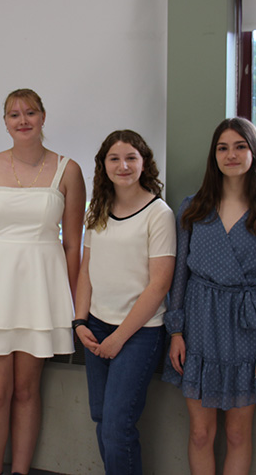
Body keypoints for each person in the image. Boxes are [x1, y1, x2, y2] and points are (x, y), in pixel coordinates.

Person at [0, 89, 86, 475]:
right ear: (5, 122)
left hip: (41, 288)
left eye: (30, 112)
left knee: (27, 391)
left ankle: (20, 472)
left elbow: (72, 244)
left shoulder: (68, 170)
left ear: (43, 117)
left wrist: (74, 304)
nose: (22, 119)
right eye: (14, 114)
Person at [162, 117, 256, 475]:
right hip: (199, 325)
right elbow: (179, 278)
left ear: (253, 153)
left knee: (237, 434)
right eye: (222, 147)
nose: (231, 155)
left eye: (239, 146)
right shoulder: (192, 209)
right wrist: (175, 332)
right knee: (201, 434)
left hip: (246, 332)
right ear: (213, 155)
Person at [73, 130, 176, 475]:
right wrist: (80, 322)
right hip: (97, 326)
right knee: (102, 419)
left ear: (144, 163)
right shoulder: (97, 210)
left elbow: (159, 285)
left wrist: (118, 338)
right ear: (103, 165)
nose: (123, 165)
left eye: (131, 157)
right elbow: (87, 269)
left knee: (118, 426)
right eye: (114, 158)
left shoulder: (158, 214)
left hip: (139, 333)